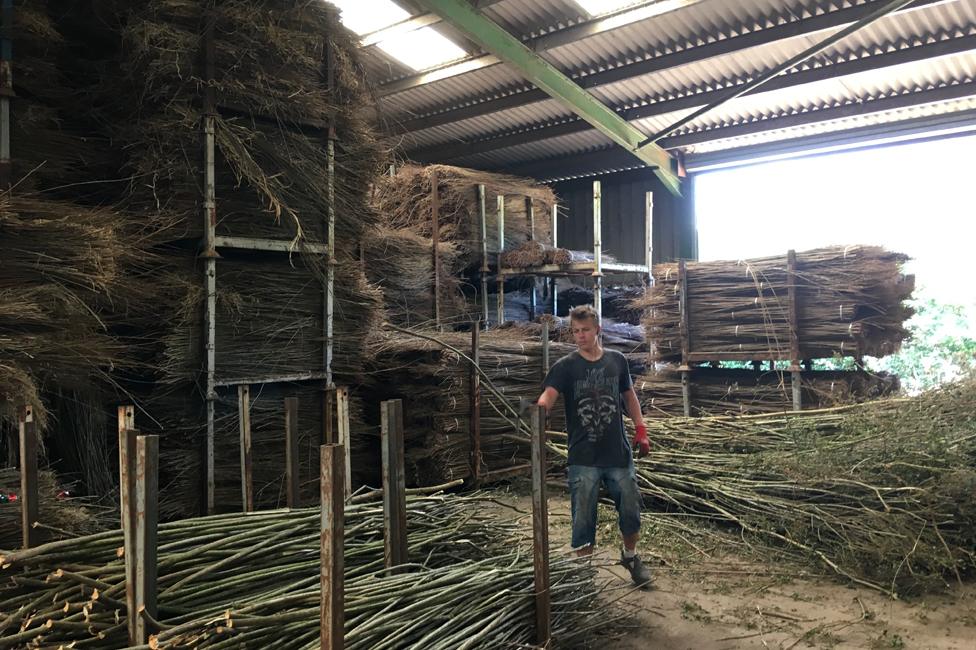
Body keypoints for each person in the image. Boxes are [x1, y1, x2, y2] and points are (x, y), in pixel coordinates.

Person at [536, 304, 652, 588]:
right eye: (575, 331)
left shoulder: (617, 360)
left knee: (629, 507)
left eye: (585, 330)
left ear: (597, 330)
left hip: (617, 453)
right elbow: (547, 398)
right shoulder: (565, 367)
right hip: (583, 455)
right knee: (583, 516)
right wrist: (538, 410)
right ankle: (583, 574)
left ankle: (631, 556)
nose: (580, 336)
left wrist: (640, 429)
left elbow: (629, 396)